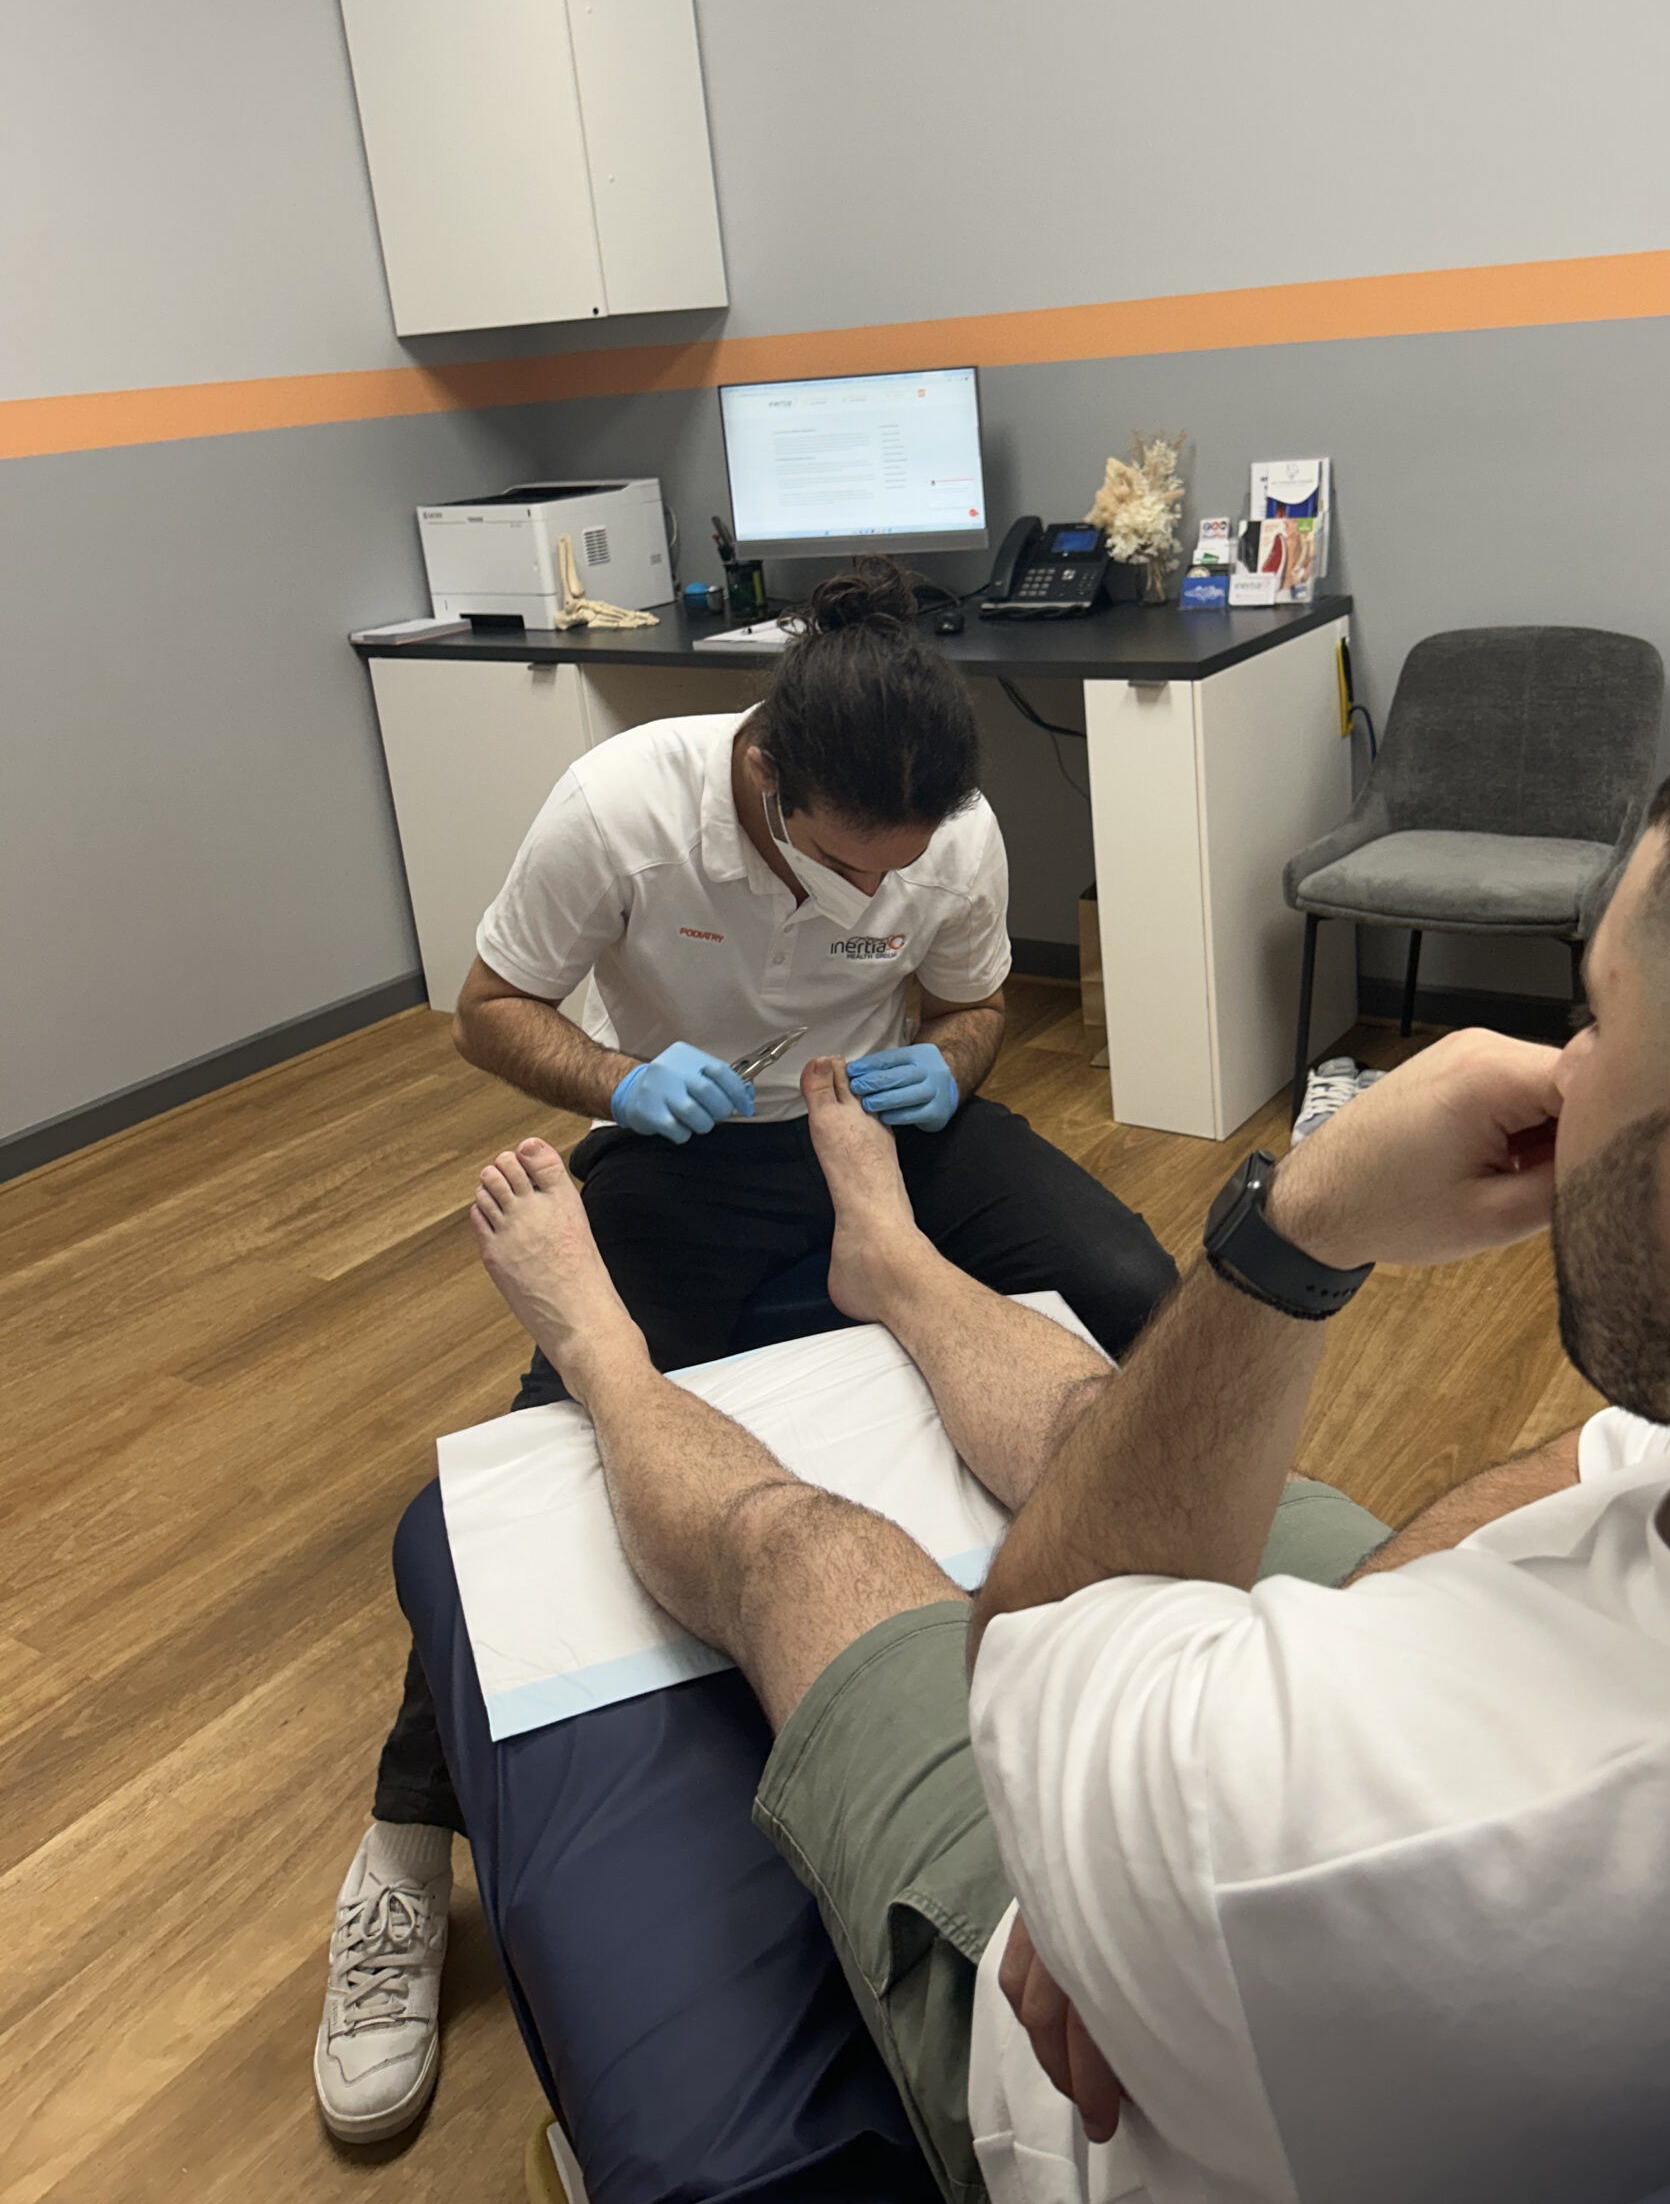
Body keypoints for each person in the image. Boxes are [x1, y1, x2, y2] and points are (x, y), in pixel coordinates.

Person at [442, 679, 1670, 2201]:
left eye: (1590, 1017)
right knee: (1109, 1429)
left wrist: (1306, 1220)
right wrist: (623, 1081)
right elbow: (1601, 1464)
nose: (1547, 1057)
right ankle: (891, 1262)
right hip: (1252, 1794)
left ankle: (602, 1356)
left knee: (809, 1546)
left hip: (1111, 1966)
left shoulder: (1344, 1842)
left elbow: (1037, 1662)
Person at [313, 557, 1177, 2144]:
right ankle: (396, 1857)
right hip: (687, 1139)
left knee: (1134, 1283)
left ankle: (1148, 1661)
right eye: (844, 873)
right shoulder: (619, 805)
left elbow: (973, 1006)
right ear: (767, 778)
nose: (873, 904)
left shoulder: (951, 828)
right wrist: (617, 1083)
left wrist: (951, 1070)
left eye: (898, 876)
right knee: (538, 1459)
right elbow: (488, 1007)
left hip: (871, 1124)